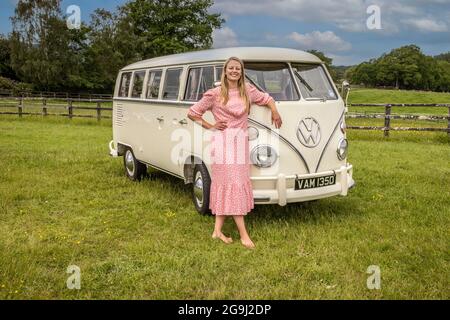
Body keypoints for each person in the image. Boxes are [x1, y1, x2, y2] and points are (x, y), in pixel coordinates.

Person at [187, 57, 282, 249]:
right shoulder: (215, 94)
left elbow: (267, 98)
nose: (234, 71)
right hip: (222, 143)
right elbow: (192, 112)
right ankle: (244, 235)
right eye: (231, 68)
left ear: (241, 71)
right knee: (233, 185)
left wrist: (274, 111)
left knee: (230, 185)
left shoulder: (247, 90)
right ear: (225, 71)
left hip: (240, 144)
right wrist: (211, 126)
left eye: (237, 68)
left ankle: (217, 231)